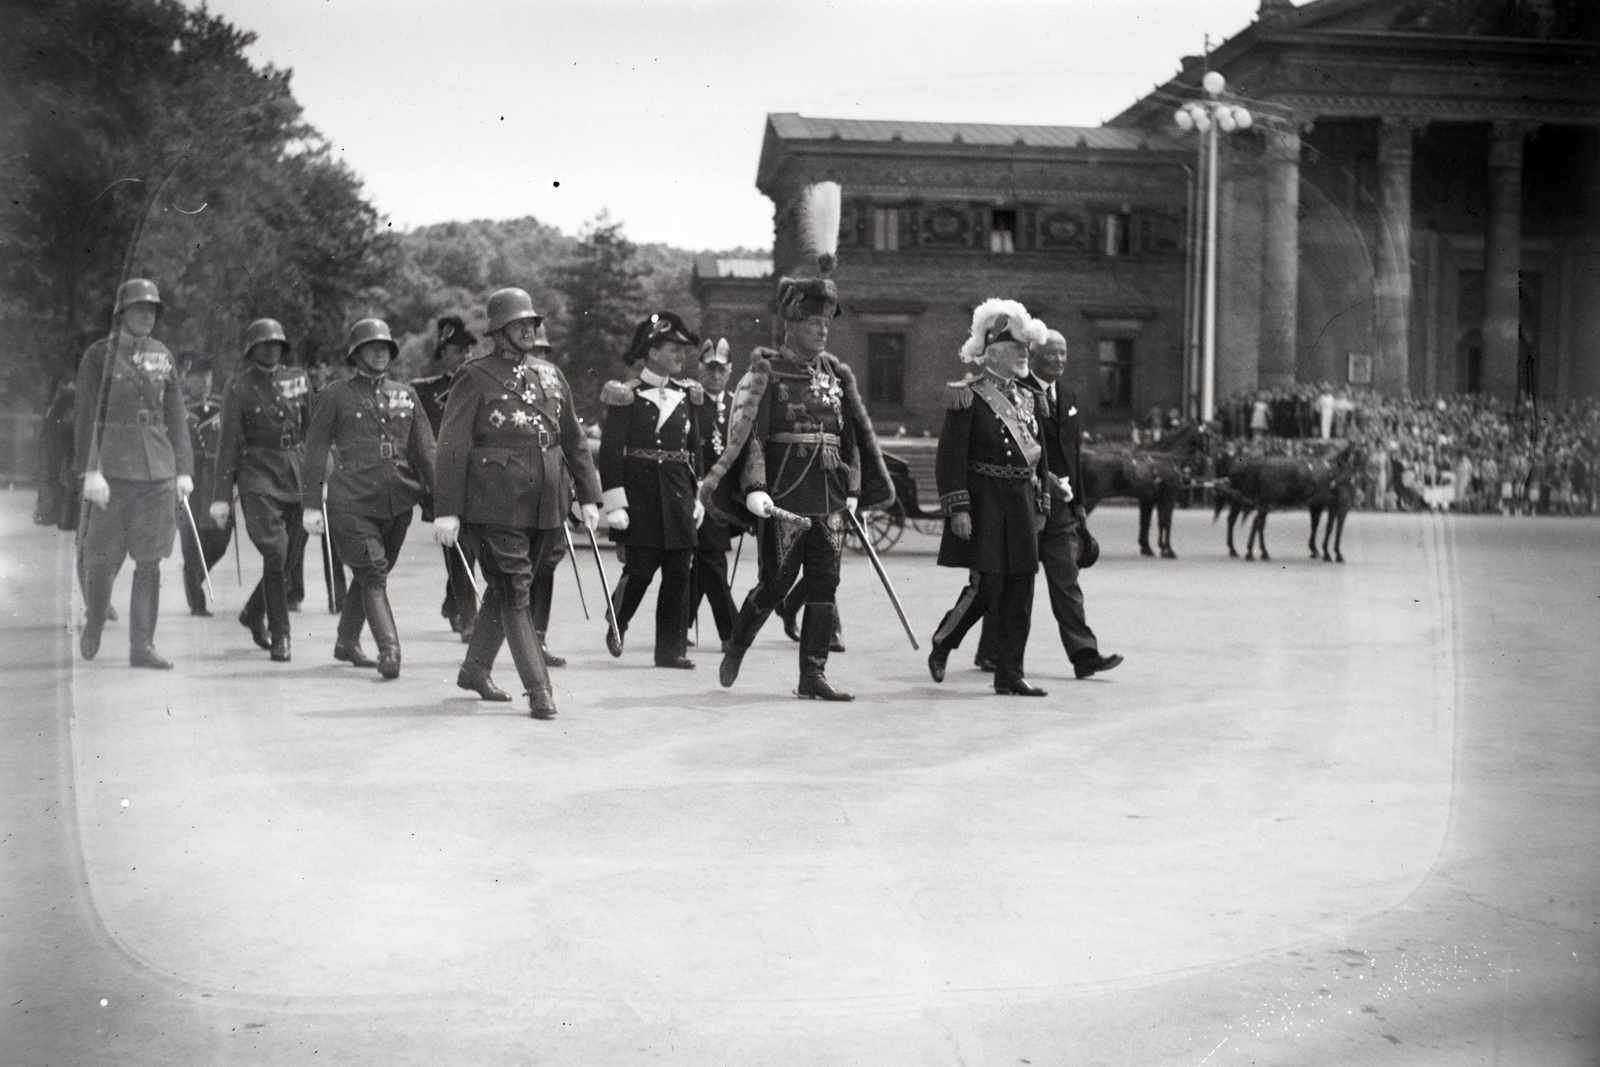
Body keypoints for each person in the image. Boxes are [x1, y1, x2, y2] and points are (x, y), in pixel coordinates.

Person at [702, 276, 893, 700]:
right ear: (791, 325)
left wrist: (855, 489)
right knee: (775, 583)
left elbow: (853, 438)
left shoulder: (837, 374)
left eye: (826, 322)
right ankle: (737, 644)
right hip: (784, 494)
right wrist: (755, 486)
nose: (823, 330)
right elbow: (751, 434)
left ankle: (813, 674)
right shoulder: (767, 373)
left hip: (830, 494)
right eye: (813, 322)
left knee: (826, 582)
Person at [433, 288, 601, 718]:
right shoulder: (474, 376)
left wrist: (589, 496)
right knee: (516, 590)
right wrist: (447, 508)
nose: (529, 328)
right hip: (494, 503)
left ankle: (474, 670)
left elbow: (573, 440)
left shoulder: (550, 374)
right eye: (519, 323)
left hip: (547, 502)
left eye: (532, 323)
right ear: (499, 332)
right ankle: (539, 690)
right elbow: (452, 445)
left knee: (508, 588)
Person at [973, 327, 1123, 681]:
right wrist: (1041, 481)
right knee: (1008, 583)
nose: (1059, 360)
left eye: (1063, 354)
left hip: (1061, 512)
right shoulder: (1014, 393)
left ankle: (1084, 654)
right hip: (1021, 504)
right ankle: (991, 650)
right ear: (1034, 355)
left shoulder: (1068, 395)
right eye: (1051, 354)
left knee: (1066, 582)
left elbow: (1073, 456)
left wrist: (1081, 508)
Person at [924, 300, 1052, 697]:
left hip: (1020, 502)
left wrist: (1042, 502)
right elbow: (950, 458)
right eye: (1017, 350)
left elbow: (1040, 456)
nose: (1024, 356)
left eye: (1025, 350)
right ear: (993, 353)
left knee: (1022, 590)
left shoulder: (1030, 399)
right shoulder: (968, 397)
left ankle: (1010, 674)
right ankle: (945, 640)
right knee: (988, 586)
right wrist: (957, 507)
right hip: (985, 503)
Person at [300, 318, 436, 679]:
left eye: (385, 347)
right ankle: (390, 650)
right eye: (370, 347)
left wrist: (444, 503)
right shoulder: (335, 395)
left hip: (398, 500)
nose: (379, 352)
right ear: (355, 354)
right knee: (373, 573)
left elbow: (426, 451)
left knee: (371, 573)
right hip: (352, 500)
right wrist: (310, 504)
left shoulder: (405, 393)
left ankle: (346, 641)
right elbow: (314, 452)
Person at [73, 278, 194, 668]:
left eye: (152, 309)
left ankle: (141, 646)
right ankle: (95, 618)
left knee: (150, 560)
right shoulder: (98, 356)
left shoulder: (163, 355)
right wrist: (90, 471)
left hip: (157, 471)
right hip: (113, 470)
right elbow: (86, 417)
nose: (147, 315)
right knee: (101, 559)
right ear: (121, 313)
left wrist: (183, 471)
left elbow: (176, 417)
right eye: (139, 308)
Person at [598, 312, 706, 669]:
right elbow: (612, 451)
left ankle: (670, 649)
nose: (681, 355)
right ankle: (618, 618)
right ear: (653, 351)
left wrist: (700, 492)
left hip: (678, 493)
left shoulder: (687, 393)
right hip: (640, 493)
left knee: (679, 571)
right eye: (674, 348)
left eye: (683, 349)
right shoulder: (626, 395)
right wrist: (615, 502)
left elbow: (695, 448)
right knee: (642, 569)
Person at [209, 319, 312, 661]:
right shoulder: (238, 386)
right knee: (276, 551)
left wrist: (319, 480)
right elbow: (226, 445)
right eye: (263, 344)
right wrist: (221, 496)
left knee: (290, 554)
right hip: (257, 473)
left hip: (295, 469)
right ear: (251, 350)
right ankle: (281, 634)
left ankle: (254, 610)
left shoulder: (298, 379)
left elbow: (312, 432)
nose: (271, 349)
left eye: (277, 344)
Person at [412, 315, 481, 641]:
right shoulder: (425, 392)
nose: (464, 356)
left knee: (470, 548)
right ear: (444, 354)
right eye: (457, 351)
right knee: (459, 548)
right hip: (443, 479)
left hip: (479, 476)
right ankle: (469, 618)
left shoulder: (483, 385)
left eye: (468, 351)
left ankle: (453, 602)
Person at [687, 338, 739, 651]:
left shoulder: (738, 405)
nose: (715, 375)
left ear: (730, 371)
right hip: (697, 495)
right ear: (700, 369)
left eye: (721, 369)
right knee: (712, 560)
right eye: (710, 369)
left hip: (728, 499)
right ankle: (731, 631)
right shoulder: (691, 402)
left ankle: (679, 623)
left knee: (705, 564)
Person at [179, 356, 232, 615]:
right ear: (188, 379)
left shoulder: (223, 406)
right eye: (200, 377)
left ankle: (194, 578)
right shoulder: (178, 408)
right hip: (190, 480)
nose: (206, 382)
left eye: (209, 376)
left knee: (221, 539)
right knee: (191, 542)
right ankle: (196, 600)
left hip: (215, 480)